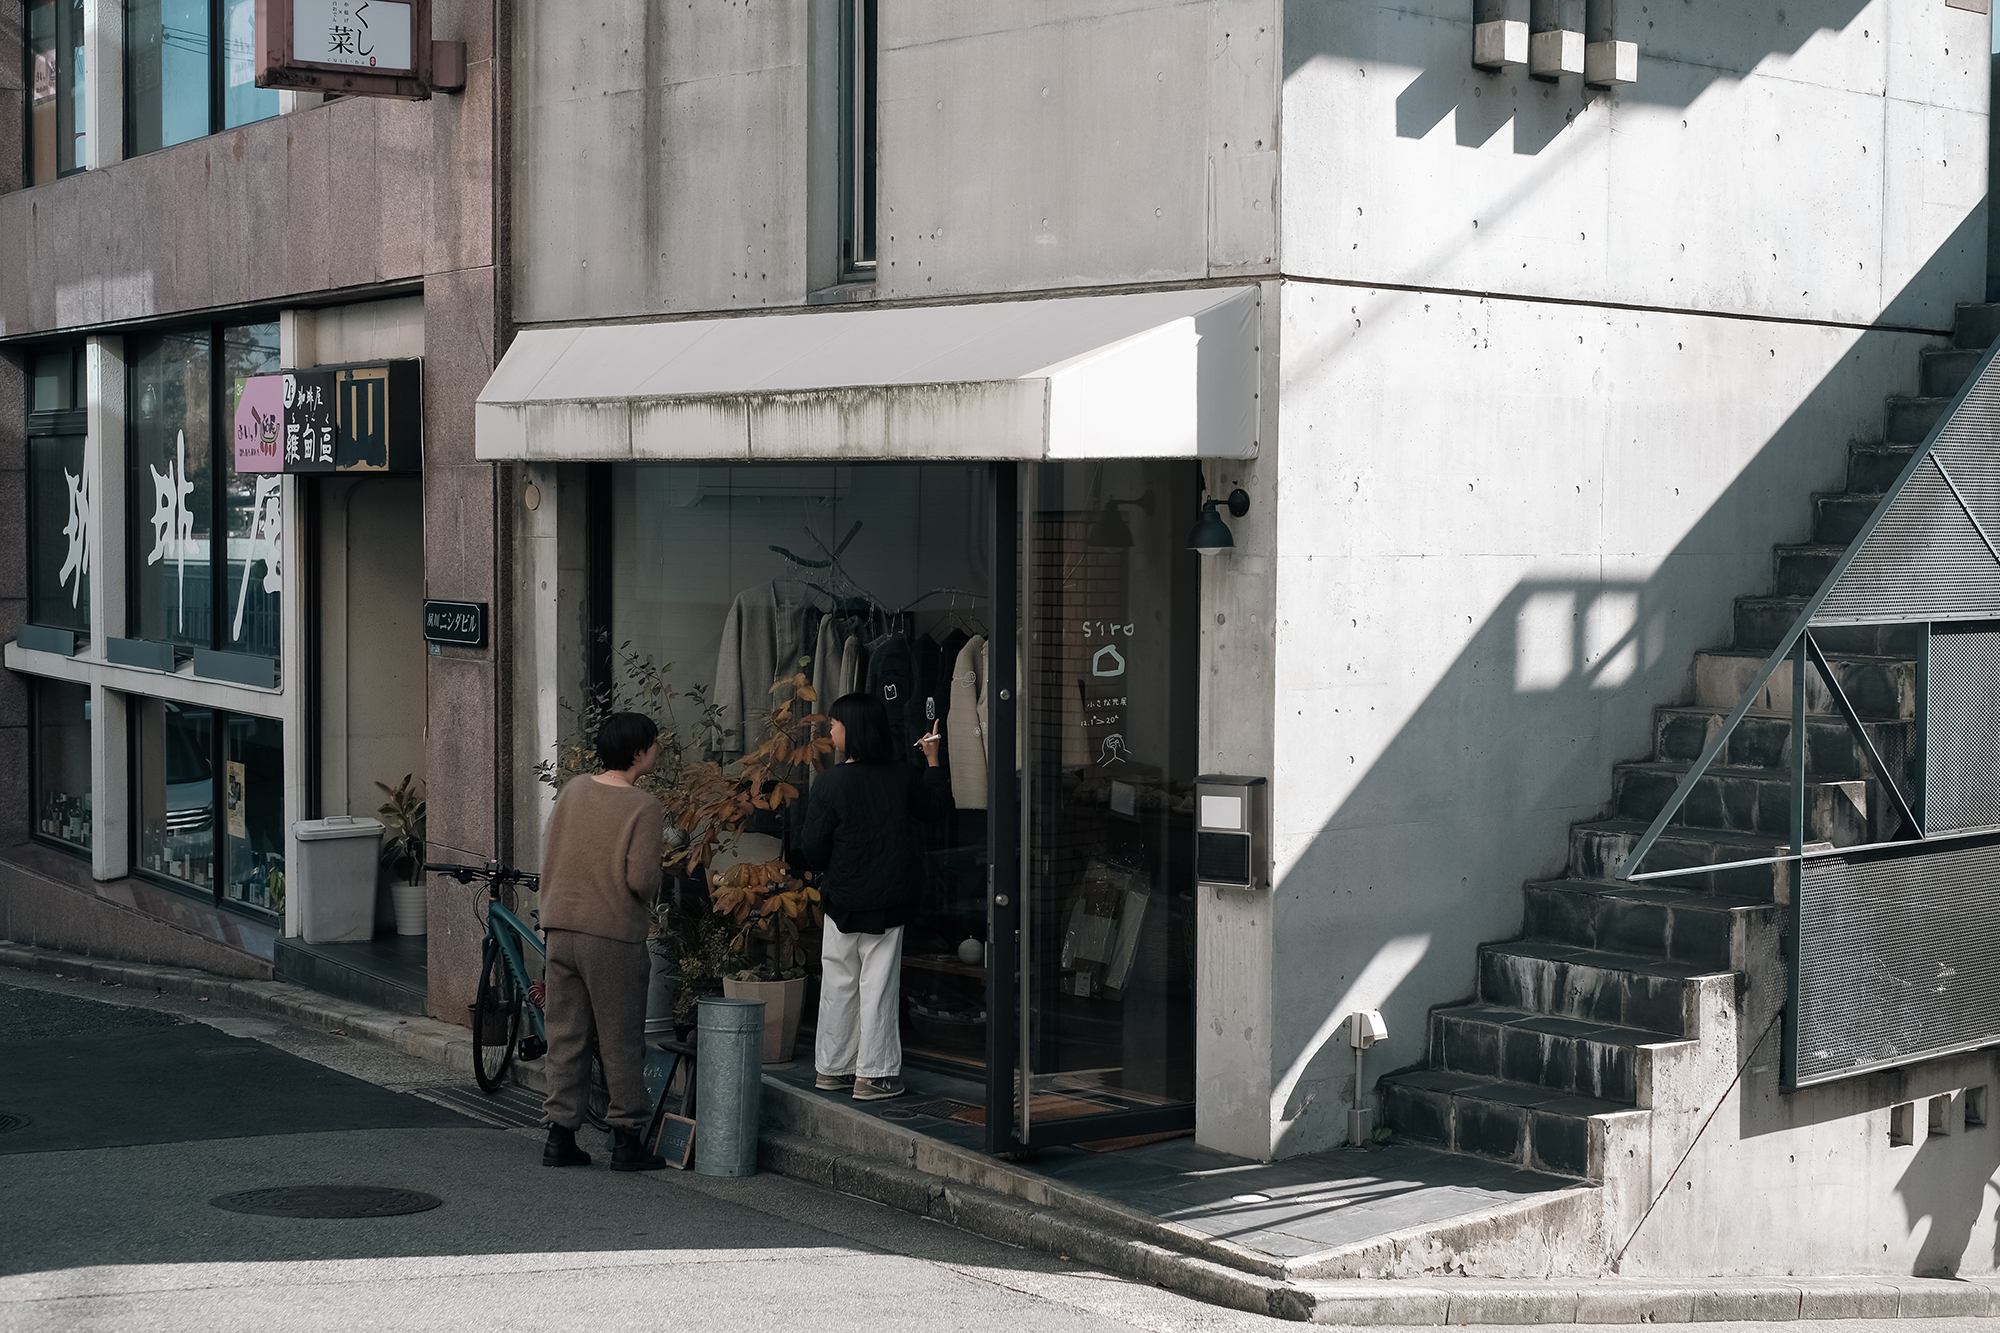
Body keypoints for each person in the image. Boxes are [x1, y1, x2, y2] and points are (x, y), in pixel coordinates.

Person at [798, 693, 951, 1100]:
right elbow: (936, 809)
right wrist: (933, 761)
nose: (830, 730)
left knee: (838, 982)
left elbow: (812, 849)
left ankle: (832, 1069)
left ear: (853, 730)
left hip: (842, 897)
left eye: (835, 724)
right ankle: (874, 1076)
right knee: (878, 984)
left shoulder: (830, 782)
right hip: (889, 898)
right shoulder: (900, 775)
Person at [537, 711, 667, 1170]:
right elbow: (641, 879)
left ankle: (560, 1137)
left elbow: (551, 849)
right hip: (612, 935)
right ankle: (627, 1141)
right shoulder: (643, 807)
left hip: (561, 929)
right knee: (620, 1038)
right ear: (639, 753)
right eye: (653, 743)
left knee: (565, 1035)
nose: (657, 749)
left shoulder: (574, 790)